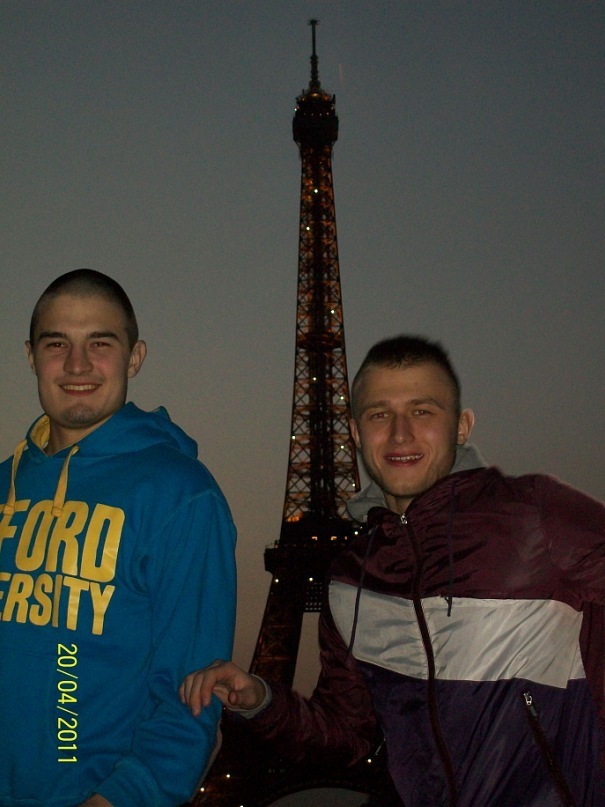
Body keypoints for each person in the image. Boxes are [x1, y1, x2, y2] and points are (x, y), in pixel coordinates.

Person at [180, 335, 605, 807]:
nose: (401, 434)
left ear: (462, 426)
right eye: (379, 414)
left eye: (422, 411)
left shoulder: (534, 515)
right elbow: (347, 735)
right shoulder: (352, 580)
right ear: (355, 433)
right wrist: (262, 699)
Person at [0, 269, 237, 807]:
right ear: (31, 356)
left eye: (100, 344)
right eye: (57, 343)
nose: (77, 364)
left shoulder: (183, 496)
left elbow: (192, 694)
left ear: (135, 357)